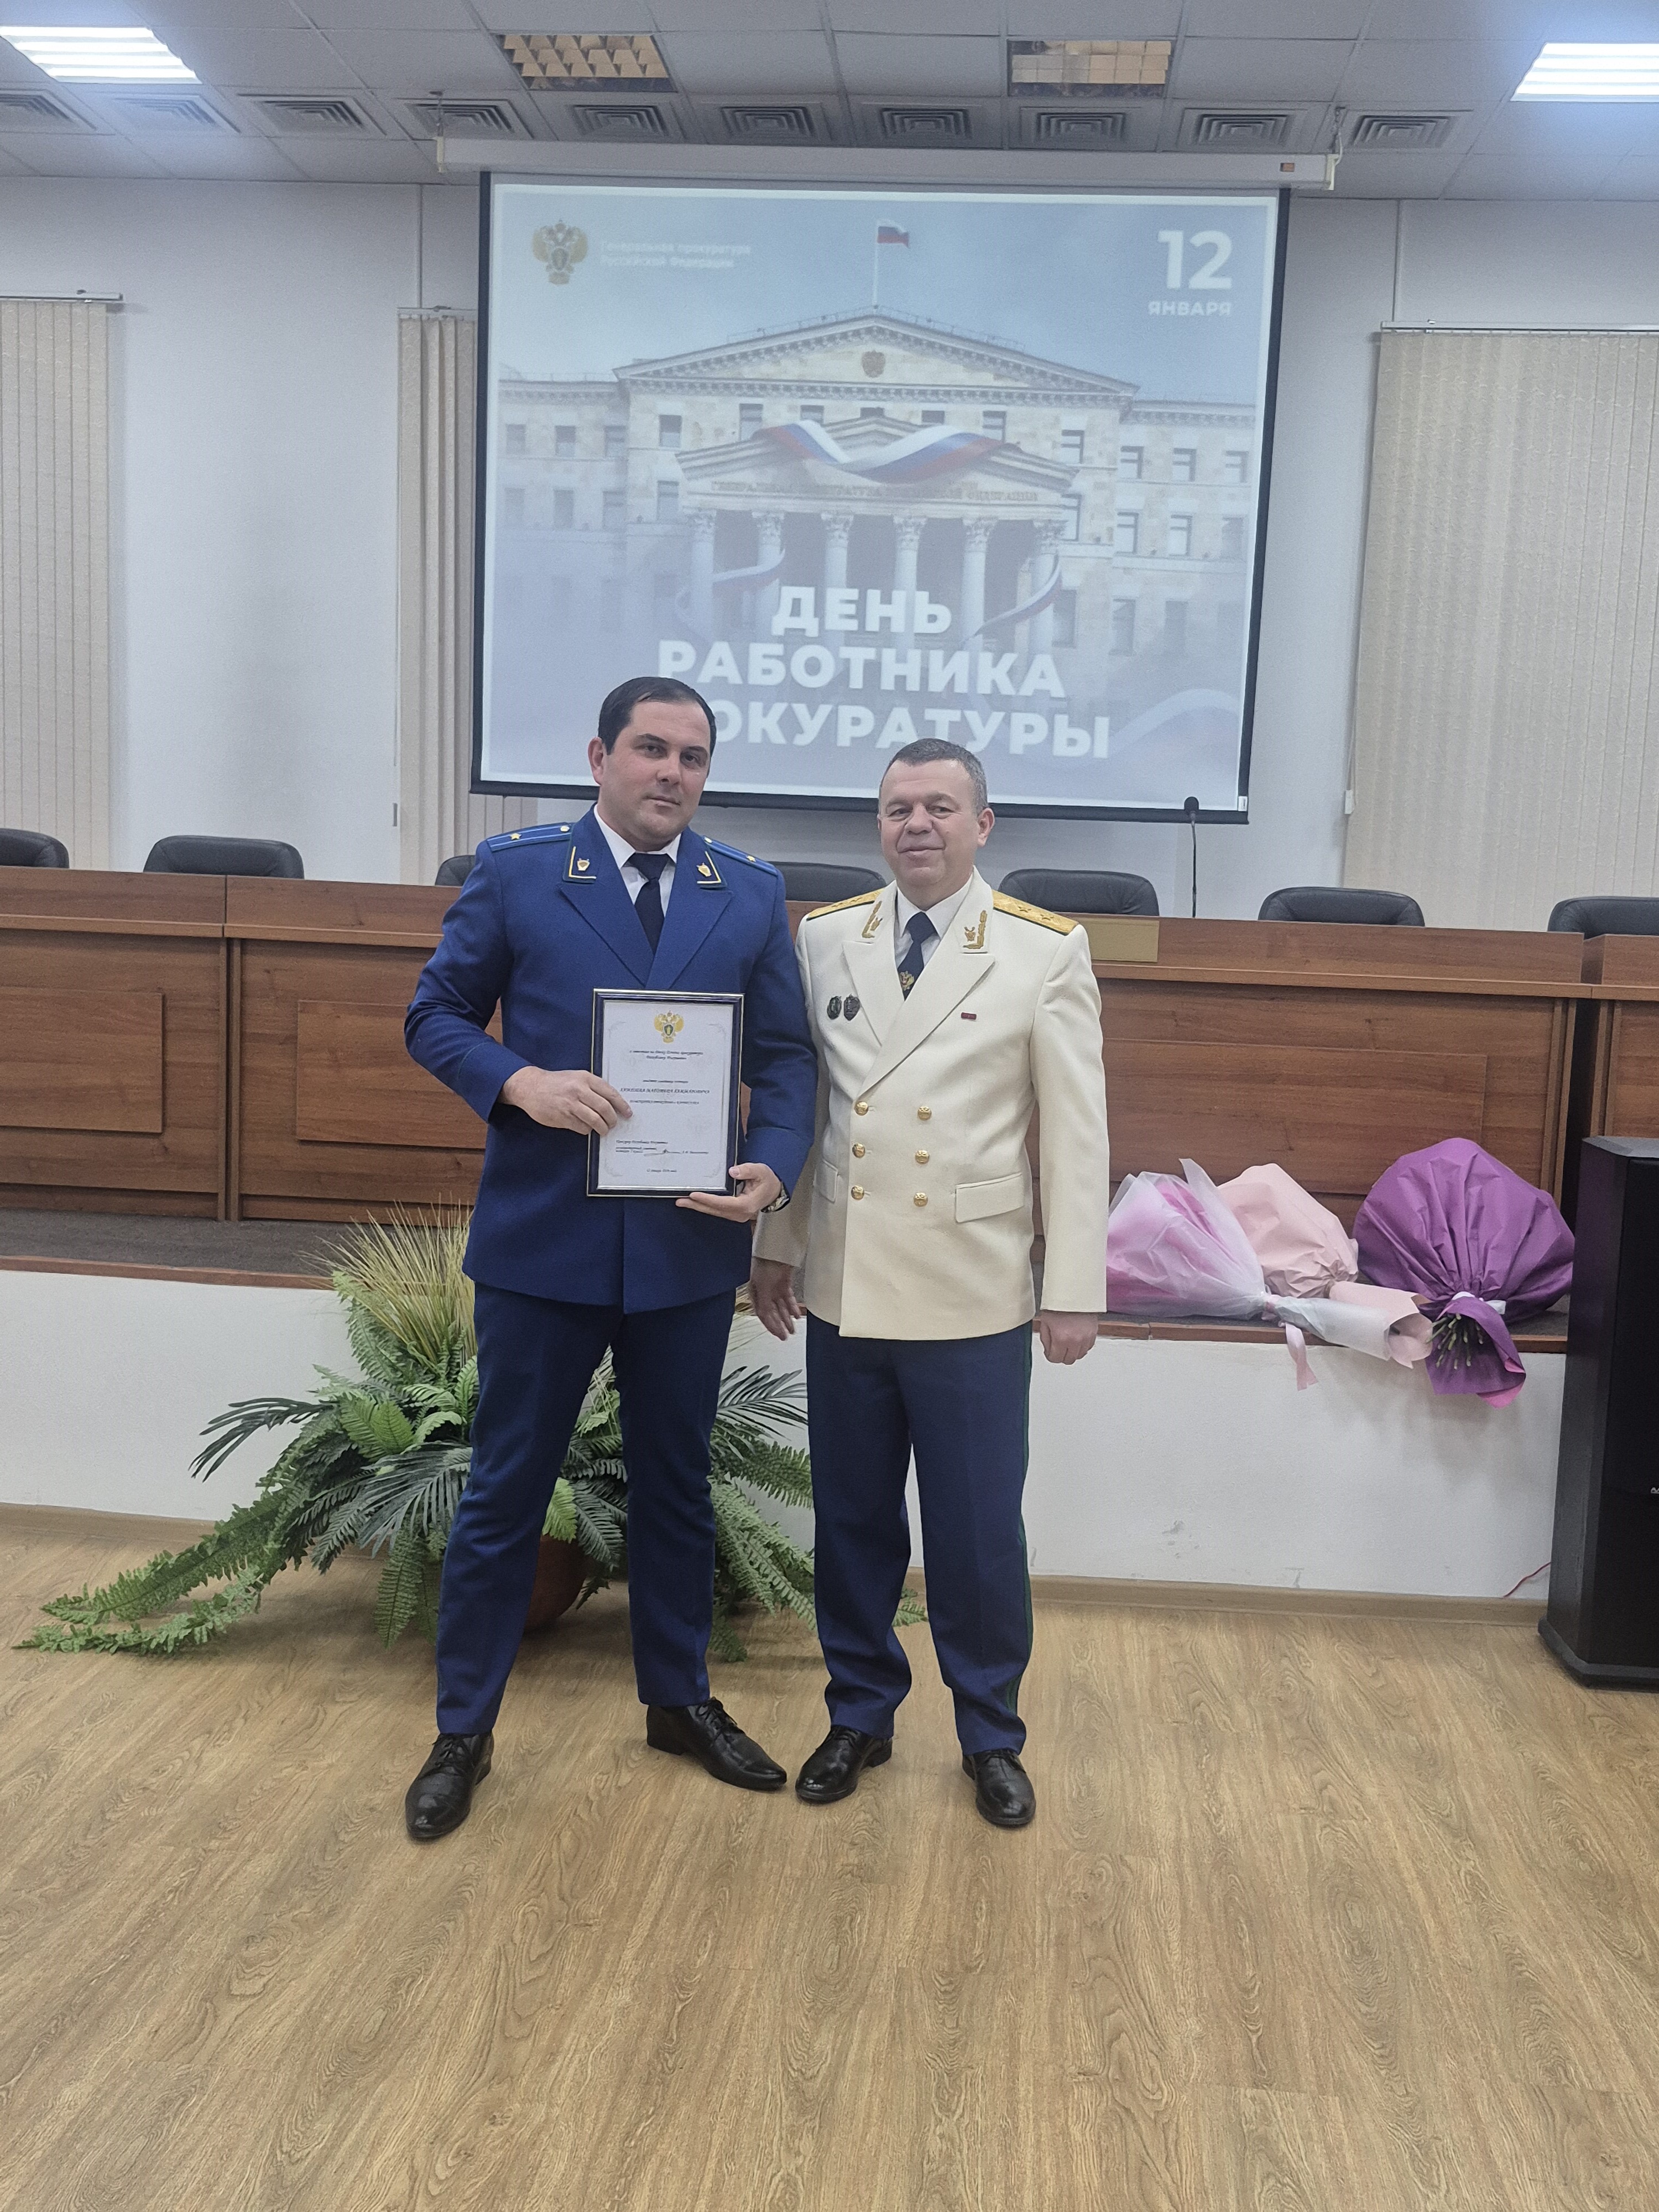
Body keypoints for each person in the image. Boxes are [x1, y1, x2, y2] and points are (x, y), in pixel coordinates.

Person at [401, 676, 817, 1841]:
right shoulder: (520, 871)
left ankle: (678, 1701)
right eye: (651, 748)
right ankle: (463, 1728)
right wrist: (520, 1082)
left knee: (676, 1488)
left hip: (685, 1245)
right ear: (599, 756)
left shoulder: (748, 892)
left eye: (693, 756)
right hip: (545, 1246)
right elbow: (434, 1016)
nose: (672, 773)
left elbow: (787, 1059)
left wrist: (775, 1166)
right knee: (506, 1490)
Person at [750, 737, 1110, 1830]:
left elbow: (1077, 1137)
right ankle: (859, 1713)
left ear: (982, 824)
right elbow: (810, 1108)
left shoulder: (1043, 950)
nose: (918, 824)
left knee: (977, 1532)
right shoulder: (825, 938)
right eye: (899, 806)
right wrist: (777, 1243)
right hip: (849, 1282)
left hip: (973, 1291)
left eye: (941, 807)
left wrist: (1074, 1284)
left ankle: (990, 1732)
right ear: (879, 822)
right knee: (854, 1520)